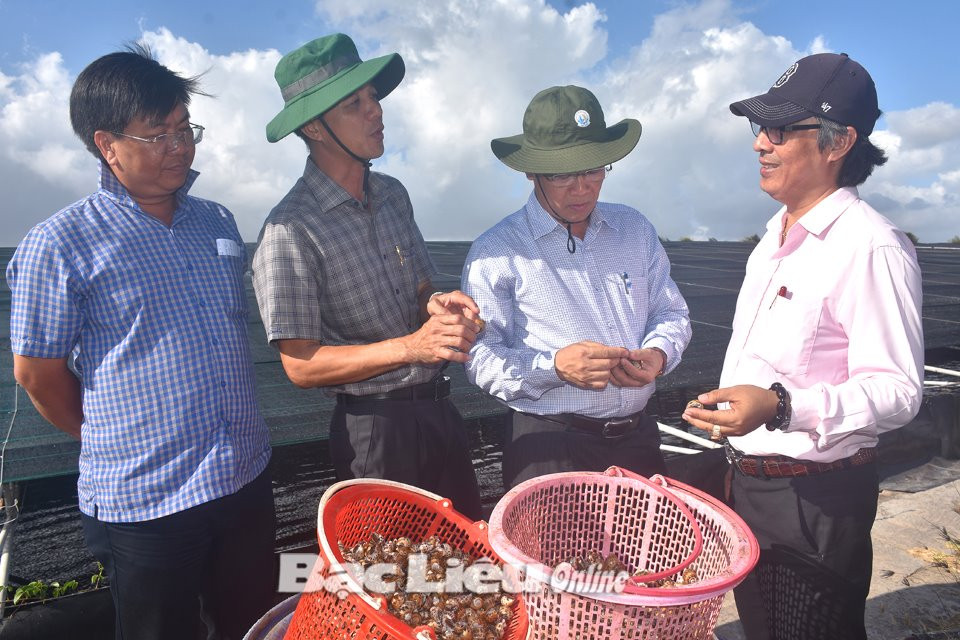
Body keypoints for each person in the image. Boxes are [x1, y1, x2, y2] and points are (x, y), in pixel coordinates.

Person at [7, 46, 275, 640]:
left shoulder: (217, 222)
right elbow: (36, 374)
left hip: (244, 475)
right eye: (159, 134)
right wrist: (106, 436)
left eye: (185, 129)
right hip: (148, 502)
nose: (180, 146)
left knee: (254, 623)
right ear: (106, 144)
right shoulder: (59, 244)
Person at [683, 53, 923, 640]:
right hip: (751, 484)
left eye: (783, 130)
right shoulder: (774, 238)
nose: (762, 144)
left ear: (839, 142)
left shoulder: (870, 247)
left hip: (815, 498)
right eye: (759, 129)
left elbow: (899, 390)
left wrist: (781, 406)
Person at [252, 34, 483, 520]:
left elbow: (421, 286)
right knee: (394, 581)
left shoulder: (393, 194)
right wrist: (412, 347)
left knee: (464, 568)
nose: (375, 111)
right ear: (314, 127)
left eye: (373, 98)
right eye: (355, 103)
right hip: (375, 432)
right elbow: (300, 365)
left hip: (440, 412)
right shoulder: (289, 229)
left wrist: (437, 303)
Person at [462, 85, 692, 489]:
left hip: (637, 443)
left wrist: (659, 353)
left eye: (593, 169)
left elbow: (671, 312)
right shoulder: (497, 251)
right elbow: (480, 358)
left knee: (644, 551)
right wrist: (554, 368)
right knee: (554, 555)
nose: (582, 187)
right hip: (550, 448)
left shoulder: (634, 229)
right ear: (530, 171)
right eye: (563, 174)